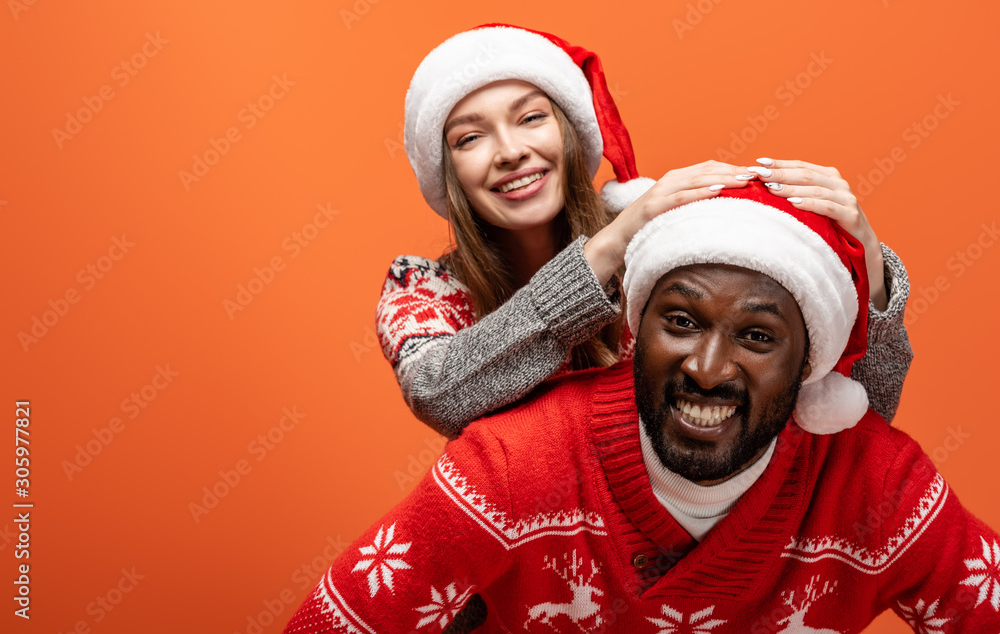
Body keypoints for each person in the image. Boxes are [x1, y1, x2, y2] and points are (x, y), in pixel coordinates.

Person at [284, 182, 998, 632]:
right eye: (681, 322)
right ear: (633, 329)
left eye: (756, 335)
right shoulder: (511, 467)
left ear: (809, 362)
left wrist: (871, 267)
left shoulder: (881, 485)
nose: (709, 368)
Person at [376, 24, 912, 441]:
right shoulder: (421, 287)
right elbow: (440, 397)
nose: (510, 150)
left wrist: (865, 258)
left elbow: (859, 420)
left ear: (570, 131)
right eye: (471, 137)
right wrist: (607, 248)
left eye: (531, 118)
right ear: (447, 170)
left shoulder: (666, 249)